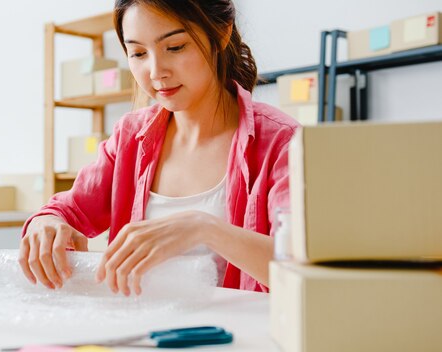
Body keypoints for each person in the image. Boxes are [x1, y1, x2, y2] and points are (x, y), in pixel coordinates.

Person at [19, 0, 299, 296]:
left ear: (221, 33)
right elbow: (68, 209)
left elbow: (303, 269)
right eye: (138, 53)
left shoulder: (283, 142)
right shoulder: (129, 137)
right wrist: (45, 223)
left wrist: (204, 228)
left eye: (175, 47)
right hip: (142, 335)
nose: (155, 71)